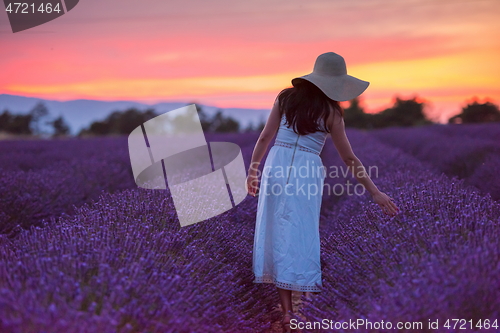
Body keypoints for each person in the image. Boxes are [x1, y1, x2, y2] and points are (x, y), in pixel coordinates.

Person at [245, 52, 399, 333]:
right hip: (307, 171)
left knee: (275, 230)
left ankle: (288, 312)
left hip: (275, 166)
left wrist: (253, 171)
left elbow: (265, 137)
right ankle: (298, 306)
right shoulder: (332, 112)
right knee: (301, 233)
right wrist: (375, 192)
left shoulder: (285, 98)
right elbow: (350, 159)